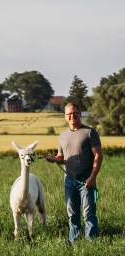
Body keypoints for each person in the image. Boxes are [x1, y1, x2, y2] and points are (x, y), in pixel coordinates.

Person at [45, 101, 102, 242]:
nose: (72, 116)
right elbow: (61, 157)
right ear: (65, 116)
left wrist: (93, 178)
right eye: (69, 114)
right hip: (69, 181)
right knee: (72, 215)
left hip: (87, 181)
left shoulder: (90, 132)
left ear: (80, 114)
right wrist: (53, 159)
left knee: (89, 214)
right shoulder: (63, 136)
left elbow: (98, 155)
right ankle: (74, 244)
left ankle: (92, 244)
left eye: (74, 113)